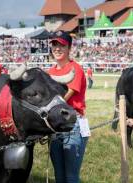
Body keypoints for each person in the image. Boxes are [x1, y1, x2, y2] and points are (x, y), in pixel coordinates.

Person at [48, 30, 90, 183]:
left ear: (69, 48)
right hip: (55, 126)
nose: (57, 49)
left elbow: (67, 96)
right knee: (59, 175)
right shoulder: (50, 71)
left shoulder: (75, 69)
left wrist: (48, 109)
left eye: (62, 45)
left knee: (71, 176)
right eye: (54, 45)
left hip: (73, 125)